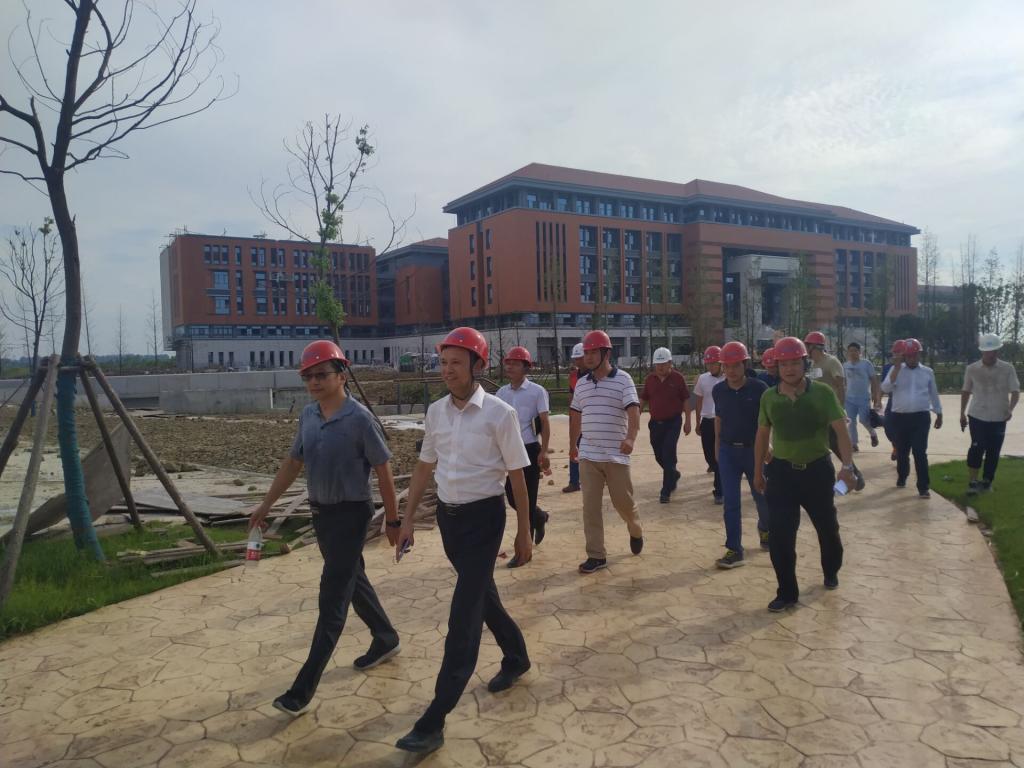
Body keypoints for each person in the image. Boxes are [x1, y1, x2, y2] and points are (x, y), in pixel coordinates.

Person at [395, 327, 532, 755]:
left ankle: (434, 720)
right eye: (443, 362)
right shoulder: (436, 411)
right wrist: (406, 520)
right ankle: (516, 656)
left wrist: (524, 530)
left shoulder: (499, 414)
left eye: (456, 363)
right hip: (449, 521)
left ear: (478, 365)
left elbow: (517, 476)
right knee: (482, 597)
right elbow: (424, 466)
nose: (447, 370)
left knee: (464, 616)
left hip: (485, 520)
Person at [248, 340, 401, 716]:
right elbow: (293, 462)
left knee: (332, 598)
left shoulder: (360, 419)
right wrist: (266, 505)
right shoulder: (309, 416)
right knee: (352, 579)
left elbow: (383, 472)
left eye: (321, 374)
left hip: (351, 515)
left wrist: (394, 520)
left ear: (341, 375)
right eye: (308, 376)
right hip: (322, 515)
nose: (314, 382)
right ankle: (385, 637)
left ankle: (301, 692)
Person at [754, 337, 855, 612]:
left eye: (794, 363)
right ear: (777, 366)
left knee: (828, 529)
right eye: (783, 364)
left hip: (817, 472)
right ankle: (787, 592)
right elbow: (762, 436)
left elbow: (841, 432)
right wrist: (758, 472)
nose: (789, 369)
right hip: (782, 474)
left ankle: (831, 570)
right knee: (781, 536)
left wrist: (847, 467)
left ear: (804, 363)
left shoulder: (822, 393)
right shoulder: (769, 397)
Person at [570, 329, 644, 574]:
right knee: (590, 508)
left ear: (607, 353)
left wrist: (631, 437)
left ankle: (635, 528)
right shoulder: (581, 384)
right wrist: (572, 445)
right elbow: (575, 415)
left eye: (594, 352)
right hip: (588, 455)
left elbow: (634, 411)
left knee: (624, 503)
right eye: (586, 353)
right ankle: (596, 555)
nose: (589, 357)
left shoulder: (623, 379)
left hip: (616, 455)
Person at [713, 341, 770, 568]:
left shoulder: (759, 389)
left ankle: (765, 528)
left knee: (761, 496)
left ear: (745, 364)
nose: (731, 370)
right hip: (728, 452)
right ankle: (734, 549)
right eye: (727, 366)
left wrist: (768, 447)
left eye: (736, 365)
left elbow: (767, 422)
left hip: (754, 451)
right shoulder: (719, 390)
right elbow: (719, 419)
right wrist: (717, 447)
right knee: (731, 502)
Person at [496, 346, 552, 553]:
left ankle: (524, 547)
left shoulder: (537, 392)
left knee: (529, 495)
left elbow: (544, 422)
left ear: (526, 367)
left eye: (515, 363)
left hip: (529, 449)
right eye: (508, 363)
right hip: (508, 450)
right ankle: (539, 516)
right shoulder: (501, 393)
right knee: (512, 496)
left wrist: (544, 451)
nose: (510, 367)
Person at [881, 337, 942, 498]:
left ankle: (923, 487)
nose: (912, 359)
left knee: (920, 452)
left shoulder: (927, 372)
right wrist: (896, 368)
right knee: (902, 451)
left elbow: (933, 393)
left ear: (919, 355)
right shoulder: (896, 370)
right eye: (909, 356)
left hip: (921, 417)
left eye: (915, 355)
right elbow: (885, 388)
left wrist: (938, 412)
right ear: (904, 356)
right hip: (900, 418)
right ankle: (902, 475)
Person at [960, 333, 1020, 495]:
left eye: (994, 351)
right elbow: (965, 391)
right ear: (982, 351)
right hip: (977, 415)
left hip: (999, 416)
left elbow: (1015, 391)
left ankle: (987, 481)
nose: (991, 354)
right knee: (977, 447)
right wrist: (962, 413)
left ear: (998, 351)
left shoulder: (1007, 369)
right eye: (987, 351)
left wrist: (1010, 409)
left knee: (993, 451)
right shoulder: (972, 369)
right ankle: (973, 481)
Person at [806, 331, 864, 490]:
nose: (806, 349)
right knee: (826, 445)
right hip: (818, 413)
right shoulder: (813, 365)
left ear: (814, 346)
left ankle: (854, 476)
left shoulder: (831, 362)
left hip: (831, 411)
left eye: (808, 346)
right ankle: (853, 477)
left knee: (835, 445)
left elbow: (840, 385)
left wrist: (839, 408)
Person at [640, 346, 692, 503]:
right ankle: (673, 474)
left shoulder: (678, 378)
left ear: (670, 363)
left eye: (663, 364)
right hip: (655, 423)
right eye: (658, 364)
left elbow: (686, 400)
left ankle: (666, 490)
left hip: (673, 422)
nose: (660, 367)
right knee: (659, 455)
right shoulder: (650, 380)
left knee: (669, 453)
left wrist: (688, 421)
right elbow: (643, 399)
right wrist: (636, 415)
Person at [693, 346, 725, 504]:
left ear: (721, 363)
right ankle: (716, 469)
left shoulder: (728, 378)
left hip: (723, 422)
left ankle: (719, 491)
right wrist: (697, 422)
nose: (711, 366)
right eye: (709, 364)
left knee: (720, 457)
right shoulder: (702, 379)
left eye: (714, 363)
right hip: (707, 421)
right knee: (709, 456)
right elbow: (698, 402)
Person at [843, 342, 881, 451]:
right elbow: (844, 382)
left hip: (863, 398)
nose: (853, 353)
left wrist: (875, 395)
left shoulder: (866, 364)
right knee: (851, 422)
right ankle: (854, 444)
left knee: (864, 419)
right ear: (848, 353)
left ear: (860, 352)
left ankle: (872, 434)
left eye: (855, 351)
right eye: (850, 351)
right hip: (849, 399)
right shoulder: (845, 365)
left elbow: (873, 380)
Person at [563, 342, 586, 493]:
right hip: (577, 417)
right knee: (574, 447)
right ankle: (574, 481)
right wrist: (572, 416)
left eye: (580, 358)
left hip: (591, 418)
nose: (578, 361)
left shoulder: (595, 375)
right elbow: (571, 397)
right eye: (576, 359)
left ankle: (601, 477)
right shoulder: (573, 376)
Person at [881, 340, 907, 461]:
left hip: (906, 403)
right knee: (888, 425)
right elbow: (883, 386)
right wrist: (878, 399)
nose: (895, 355)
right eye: (894, 352)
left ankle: (901, 449)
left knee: (903, 428)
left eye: (898, 352)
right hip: (893, 400)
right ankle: (896, 445)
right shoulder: (888, 368)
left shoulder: (911, 367)